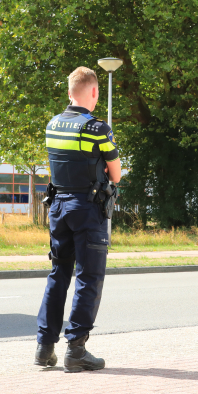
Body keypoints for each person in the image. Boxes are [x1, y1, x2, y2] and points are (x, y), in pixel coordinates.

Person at [35, 67, 122, 372]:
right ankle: (76, 350)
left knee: (58, 274)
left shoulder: (52, 124)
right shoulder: (97, 128)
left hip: (58, 208)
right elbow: (116, 173)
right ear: (95, 92)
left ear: (69, 91)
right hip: (87, 210)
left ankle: (44, 348)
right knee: (88, 277)